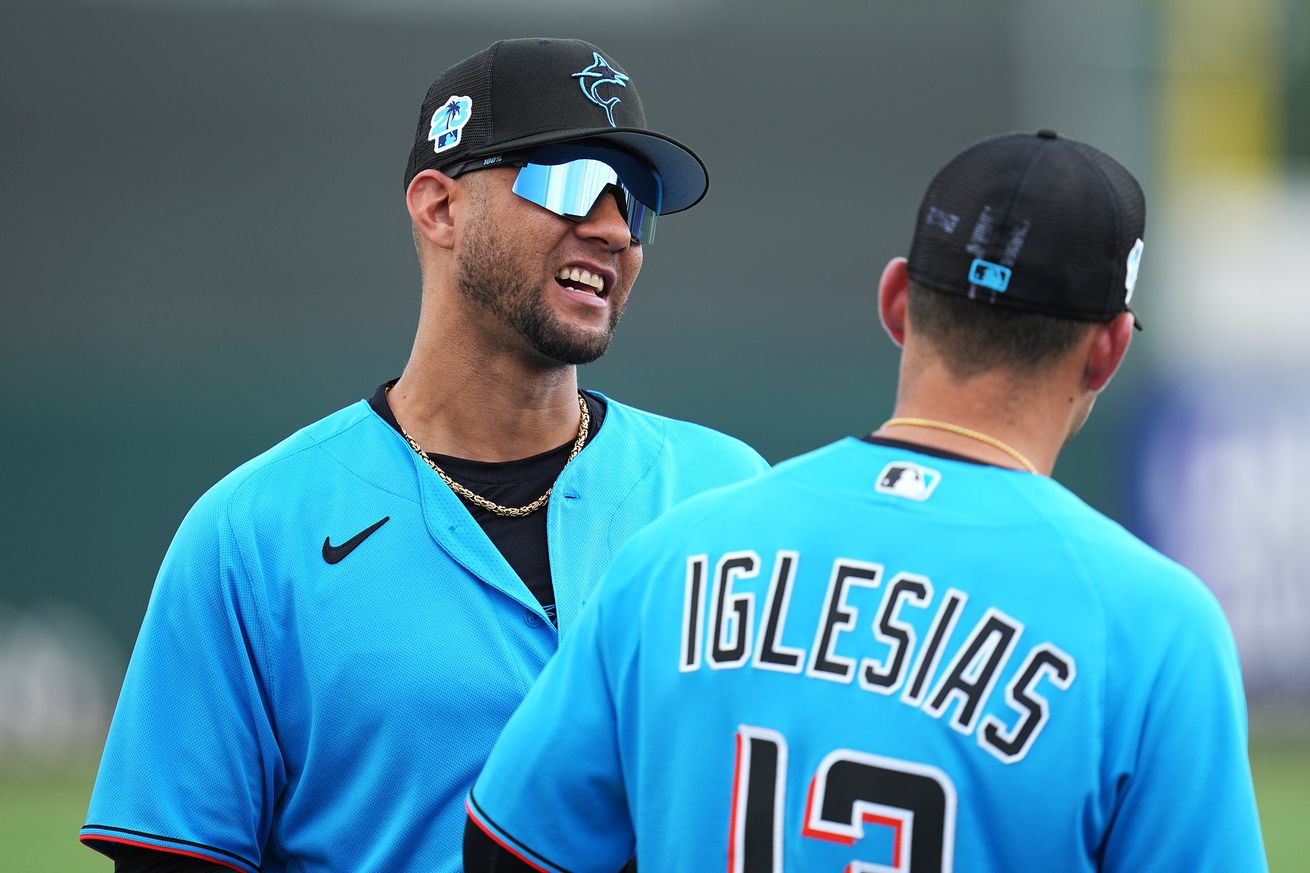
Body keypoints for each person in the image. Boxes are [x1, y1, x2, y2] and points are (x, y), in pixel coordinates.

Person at [463, 130, 1269, 872]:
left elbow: (506, 851)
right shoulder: (1155, 625)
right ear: (1108, 350)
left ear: (896, 300)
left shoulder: (675, 555)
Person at [81, 37, 768, 873]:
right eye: (570, 181)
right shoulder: (250, 534)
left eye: (638, 198)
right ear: (439, 208)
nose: (613, 228)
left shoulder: (731, 498)